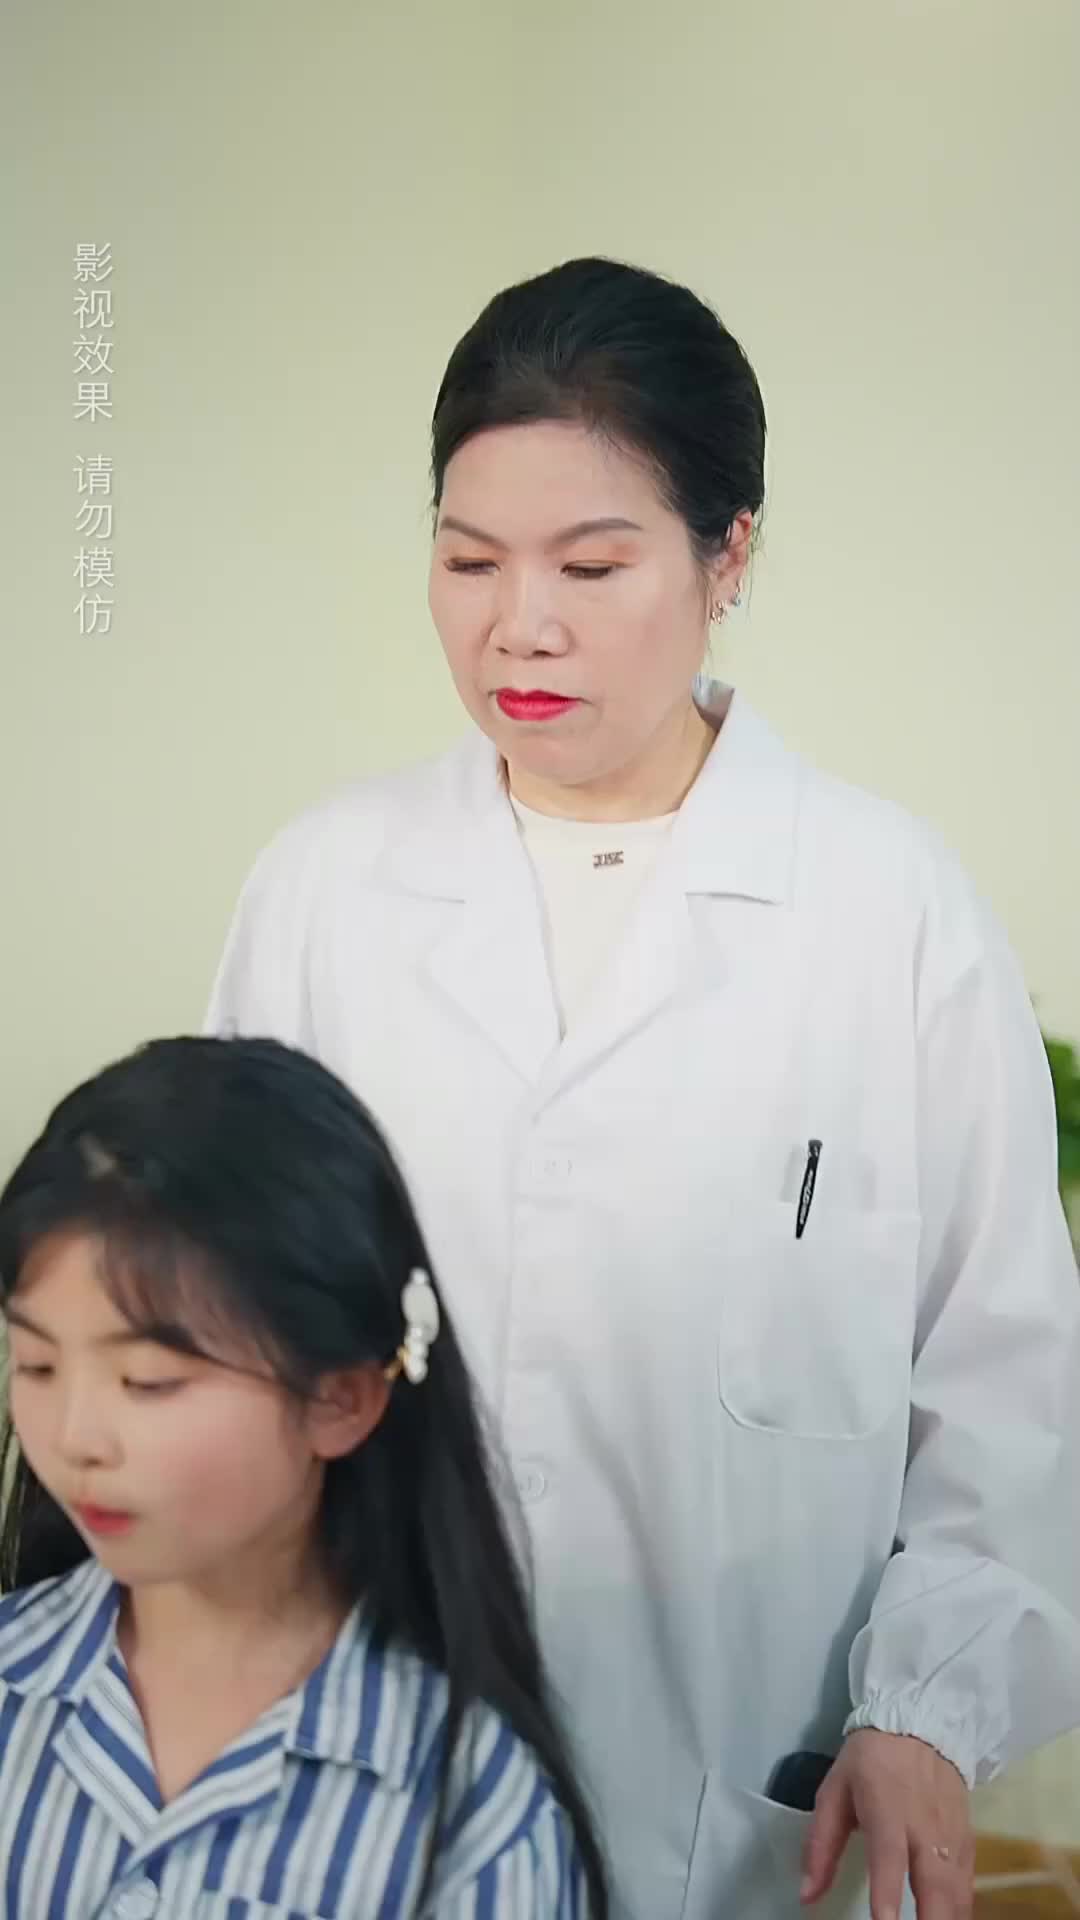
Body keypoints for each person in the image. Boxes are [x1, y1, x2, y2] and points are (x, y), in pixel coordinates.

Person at [205, 256, 1080, 1920]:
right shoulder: (323, 892)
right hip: (358, 1782)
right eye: (468, 559)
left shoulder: (889, 912)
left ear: (728, 556)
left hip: (744, 1820)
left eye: (593, 565)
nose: (519, 624)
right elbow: (225, 1326)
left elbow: (1005, 1390)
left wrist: (927, 1712)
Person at [0, 1035, 608, 1919]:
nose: (75, 1437)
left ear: (339, 1399)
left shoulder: (474, 1823)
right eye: (36, 1365)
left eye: (149, 1382)